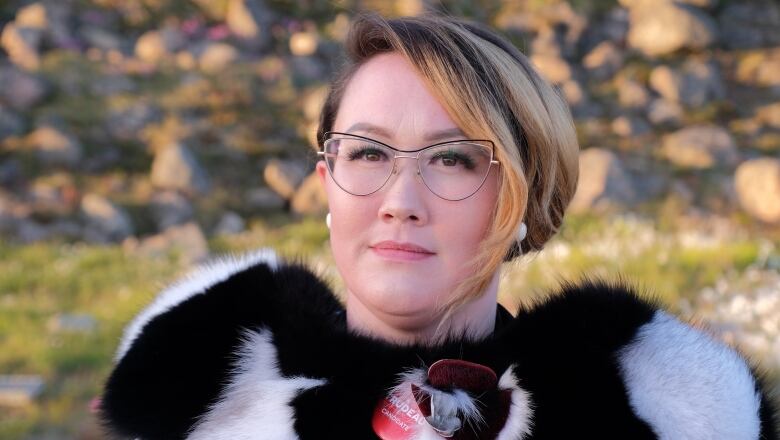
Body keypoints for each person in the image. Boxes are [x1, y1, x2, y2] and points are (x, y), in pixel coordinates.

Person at [100, 13, 777, 440]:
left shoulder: (657, 416)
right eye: (367, 152)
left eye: (452, 159)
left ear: (525, 199)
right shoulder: (194, 402)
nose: (401, 198)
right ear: (326, 185)